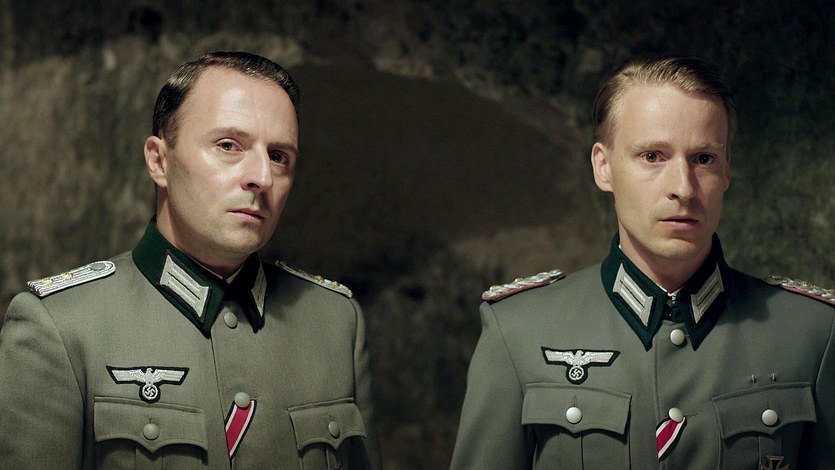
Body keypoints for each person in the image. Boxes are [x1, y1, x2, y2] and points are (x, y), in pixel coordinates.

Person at [450, 55, 835, 469]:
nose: (683, 188)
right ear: (603, 167)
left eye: (703, 158)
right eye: (653, 156)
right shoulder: (518, 332)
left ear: (726, 170)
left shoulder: (811, 334)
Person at [0, 51, 380, 469]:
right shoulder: (61, 327)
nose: (262, 177)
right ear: (159, 161)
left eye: (278, 156)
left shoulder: (335, 322)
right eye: (228, 146)